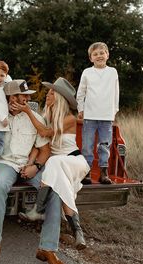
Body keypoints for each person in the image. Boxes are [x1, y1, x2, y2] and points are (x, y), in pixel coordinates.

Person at [0, 79, 66, 264]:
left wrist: (37, 167)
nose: (26, 99)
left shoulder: (35, 118)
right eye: (21, 95)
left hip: (28, 165)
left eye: (27, 96)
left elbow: (45, 149)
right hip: (4, 164)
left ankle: (47, 249)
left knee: (55, 190)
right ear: (10, 98)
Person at [16, 77, 90, 250]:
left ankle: (38, 210)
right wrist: (30, 163)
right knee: (62, 187)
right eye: (48, 92)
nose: (47, 95)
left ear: (60, 98)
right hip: (57, 166)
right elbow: (38, 144)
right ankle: (78, 233)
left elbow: (44, 132)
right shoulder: (46, 116)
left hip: (74, 162)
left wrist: (27, 111)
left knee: (54, 162)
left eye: (51, 92)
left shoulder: (69, 118)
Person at [76, 42, 119, 184]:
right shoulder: (87, 72)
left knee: (104, 145)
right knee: (87, 145)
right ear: (91, 58)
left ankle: (103, 173)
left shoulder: (112, 72)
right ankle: (86, 172)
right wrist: (80, 109)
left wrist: (114, 111)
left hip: (106, 116)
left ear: (107, 55)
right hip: (89, 115)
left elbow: (116, 93)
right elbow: (81, 92)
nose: (99, 56)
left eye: (102, 53)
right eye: (95, 54)